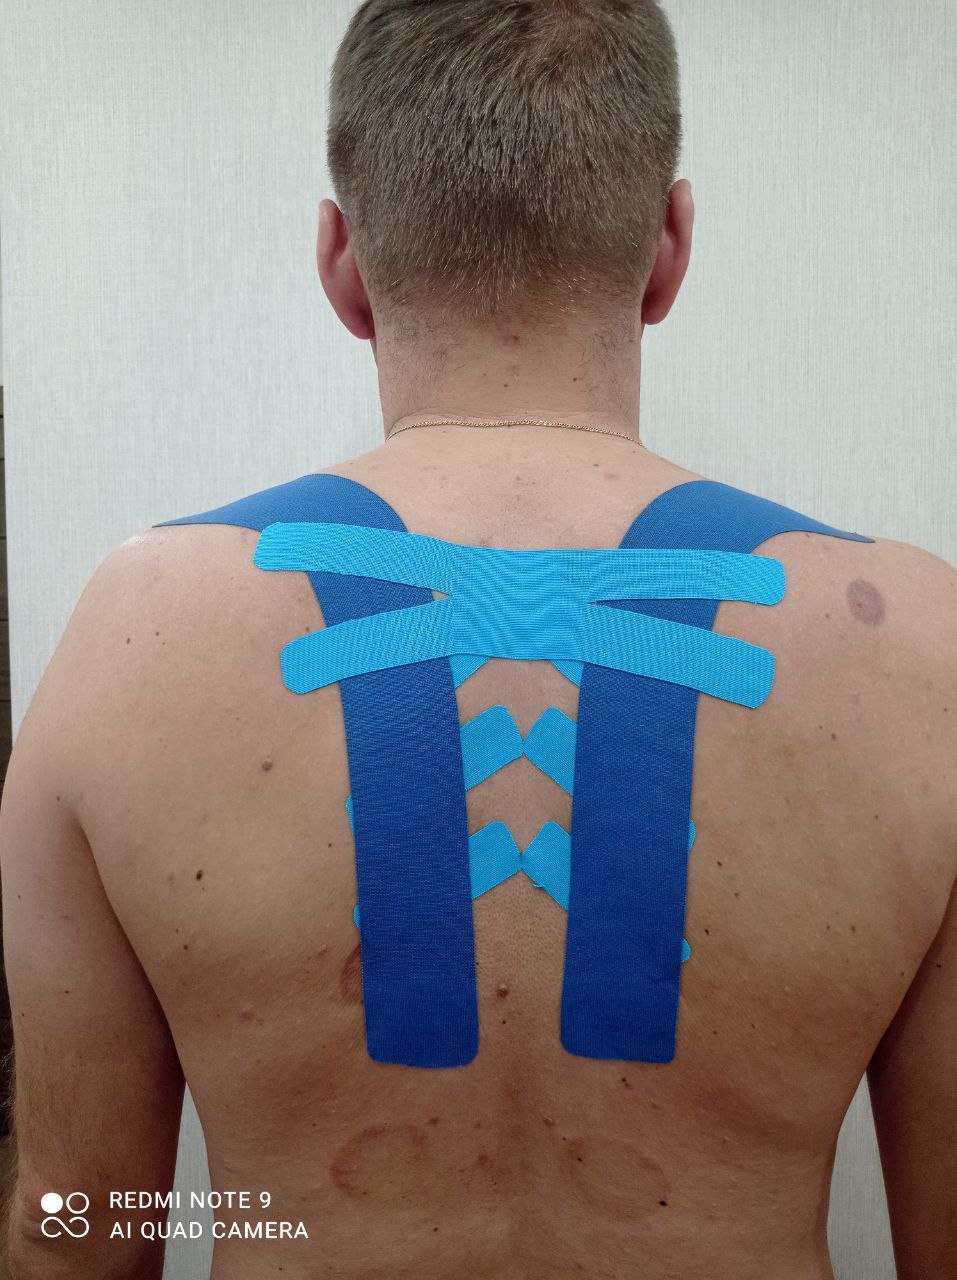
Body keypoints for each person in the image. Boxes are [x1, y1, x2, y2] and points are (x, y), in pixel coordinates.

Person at [1, 1, 954, 1278]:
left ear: (341, 261)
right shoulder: (918, 653)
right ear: (670, 247)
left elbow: (73, 1229)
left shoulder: (136, 639)